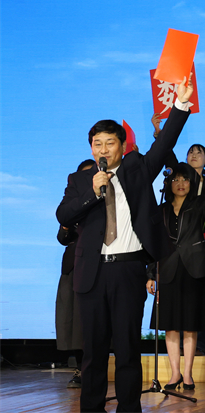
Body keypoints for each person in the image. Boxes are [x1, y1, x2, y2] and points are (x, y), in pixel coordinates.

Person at [56, 76, 193, 413]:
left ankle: (129, 409)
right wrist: (93, 191)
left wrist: (179, 105)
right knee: (93, 351)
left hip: (128, 270)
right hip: (91, 272)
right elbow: (64, 213)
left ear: (122, 145)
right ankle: (91, 408)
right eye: (97, 144)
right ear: (91, 148)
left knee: (128, 348)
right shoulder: (80, 180)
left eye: (110, 143)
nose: (103, 150)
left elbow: (165, 143)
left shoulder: (137, 169)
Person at [145, 163, 205, 391]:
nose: (181, 183)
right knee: (170, 325)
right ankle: (174, 373)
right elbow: (153, 244)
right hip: (167, 269)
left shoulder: (200, 204)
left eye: (185, 179)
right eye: (176, 179)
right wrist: (150, 274)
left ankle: (188, 374)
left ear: (192, 183)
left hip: (194, 268)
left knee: (190, 324)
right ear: (168, 183)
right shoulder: (161, 209)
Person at [56, 159, 95, 389]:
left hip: (97, 265)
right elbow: (62, 238)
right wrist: (66, 226)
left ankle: (94, 368)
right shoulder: (71, 207)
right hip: (74, 266)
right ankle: (80, 369)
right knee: (74, 323)